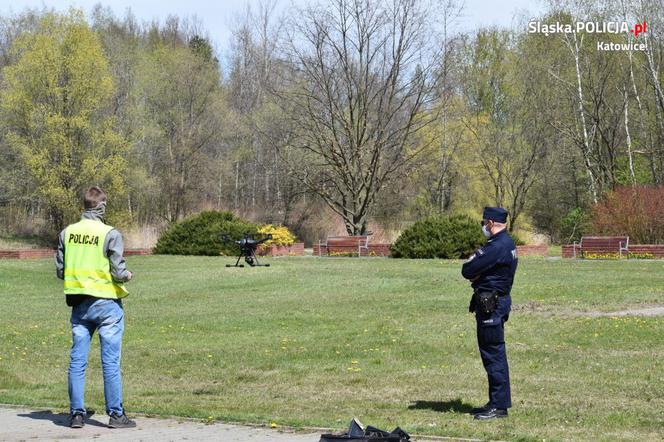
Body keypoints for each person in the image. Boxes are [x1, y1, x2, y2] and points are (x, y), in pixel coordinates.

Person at [55, 186, 136, 429]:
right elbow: (118, 271)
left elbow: (61, 271)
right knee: (110, 361)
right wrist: (127, 275)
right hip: (107, 303)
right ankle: (115, 414)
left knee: (77, 360)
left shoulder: (67, 233)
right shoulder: (110, 233)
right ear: (101, 207)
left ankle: (77, 414)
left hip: (79, 304)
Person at [461, 207, 518, 420]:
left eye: (484, 222)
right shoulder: (508, 243)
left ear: (491, 223)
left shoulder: (496, 246)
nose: (483, 226)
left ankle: (499, 406)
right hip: (497, 301)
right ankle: (495, 401)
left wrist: (475, 267)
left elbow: (467, 270)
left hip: (491, 305)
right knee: (493, 353)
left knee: (493, 355)